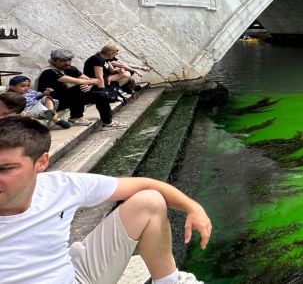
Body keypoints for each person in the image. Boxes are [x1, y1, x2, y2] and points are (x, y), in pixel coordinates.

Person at [0, 117, 211, 284]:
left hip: (72, 276)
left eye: (5, 169)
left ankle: (169, 281)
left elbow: (145, 184)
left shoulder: (62, 187)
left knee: (149, 201)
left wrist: (193, 207)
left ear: (41, 163)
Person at [36, 49, 121, 129]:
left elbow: (90, 80)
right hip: (51, 102)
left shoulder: (70, 69)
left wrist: (89, 85)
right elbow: (80, 81)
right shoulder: (49, 72)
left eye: (69, 60)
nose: (67, 63)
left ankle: (107, 122)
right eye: (63, 60)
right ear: (54, 61)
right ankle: (76, 117)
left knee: (101, 95)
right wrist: (89, 82)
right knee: (79, 88)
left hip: (66, 98)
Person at [5, 75, 72, 129]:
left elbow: (40, 95)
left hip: (36, 105)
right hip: (27, 110)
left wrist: (46, 93)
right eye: (23, 86)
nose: (26, 88)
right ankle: (56, 119)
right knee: (30, 113)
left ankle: (51, 111)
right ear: (13, 87)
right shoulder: (10, 95)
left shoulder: (30, 91)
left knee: (46, 98)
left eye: (28, 86)